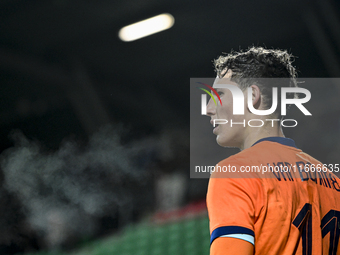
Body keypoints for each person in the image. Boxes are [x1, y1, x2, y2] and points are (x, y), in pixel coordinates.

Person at [205, 46, 340, 255]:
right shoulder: (333, 181)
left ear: (252, 96)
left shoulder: (234, 173)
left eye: (219, 94)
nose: (208, 109)